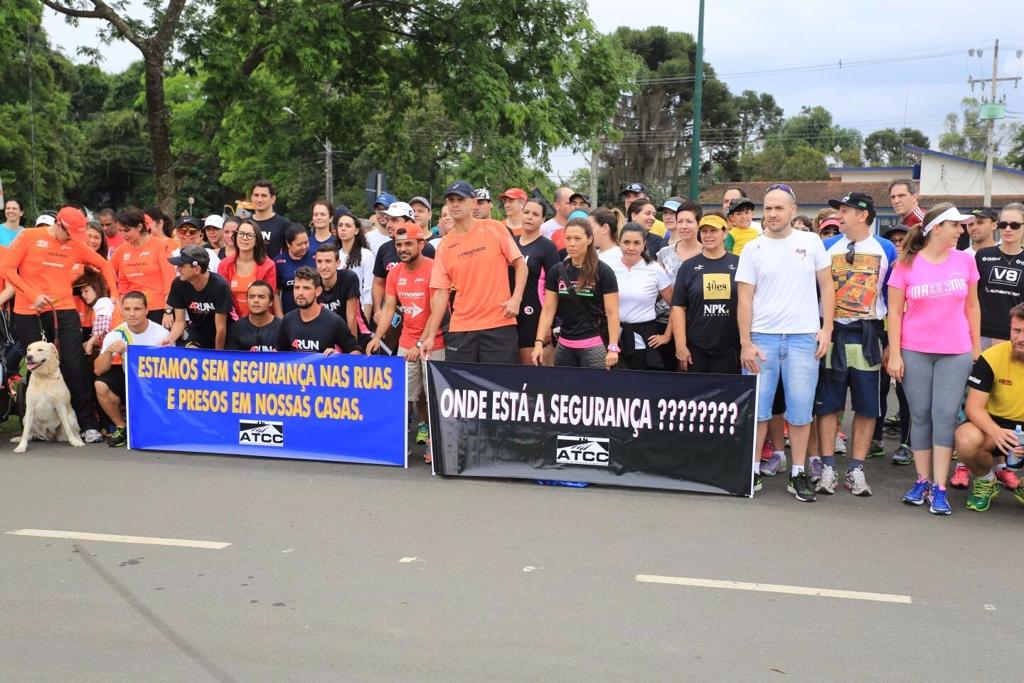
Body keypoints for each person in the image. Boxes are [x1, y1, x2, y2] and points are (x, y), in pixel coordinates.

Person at [737, 186, 834, 501]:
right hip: (761, 339)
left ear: (793, 209)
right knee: (758, 411)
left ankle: (798, 473)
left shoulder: (812, 241)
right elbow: (744, 298)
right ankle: (752, 471)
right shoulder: (753, 248)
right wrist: (745, 342)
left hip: (803, 339)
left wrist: (827, 329)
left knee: (801, 411)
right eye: (768, 208)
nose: (772, 214)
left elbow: (827, 287)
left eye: (779, 208)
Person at [886, 203, 981, 515]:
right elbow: (894, 313)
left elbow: (972, 306)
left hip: (955, 351)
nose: (961, 230)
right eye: (955, 225)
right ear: (936, 228)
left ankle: (940, 487)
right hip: (914, 351)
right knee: (921, 415)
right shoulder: (906, 264)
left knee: (944, 415)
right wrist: (895, 354)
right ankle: (922, 481)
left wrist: (976, 348)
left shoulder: (965, 261)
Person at [1, 206, 118, 443]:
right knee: (36, 364)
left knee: (74, 363)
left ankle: (87, 424)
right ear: (59, 224)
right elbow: (7, 268)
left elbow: (105, 264)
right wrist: (32, 294)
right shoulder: (29, 236)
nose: (72, 239)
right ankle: (37, 426)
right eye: (69, 234)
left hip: (63, 309)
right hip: (28, 309)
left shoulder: (75, 244)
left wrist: (114, 293)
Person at [812, 192, 897, 497]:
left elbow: (893, 299)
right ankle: (827, 467)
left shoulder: (886, 248)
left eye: (845, 210)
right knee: (828, 405)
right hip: (832, 333)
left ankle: (856, 469)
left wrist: (892, 344)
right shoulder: (826, 246)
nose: (839, 216)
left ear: (863, 215)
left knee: (867, 406)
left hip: (868, 334)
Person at [420, 180, 527, 364]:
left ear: (473, 202)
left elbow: (521, 265)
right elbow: (440, 293)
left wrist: (516, 299)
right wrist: (430, 336)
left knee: (499, 382)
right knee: (459, 383)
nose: (455, 204)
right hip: (461, 328)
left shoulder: (495, 228)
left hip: (499, 324)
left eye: (460, 199)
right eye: (451, 200)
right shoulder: (445, 244)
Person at [366, 224, 445, 454]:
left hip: (434, 342)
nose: (402, 249)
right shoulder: (394, 273)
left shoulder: (434, 269)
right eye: (398, 245)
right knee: (405, 395)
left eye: (408, 243)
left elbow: (436, 312)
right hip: (406, 341)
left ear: (421, 244)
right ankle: (401, 442)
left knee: (433, 396)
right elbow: (389, 308)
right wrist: (377, 337)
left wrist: (420, 344)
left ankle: (434, 443)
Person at [955, 303, 1024, 511]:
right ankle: (986, 479)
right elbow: (973, 407)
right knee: (965, 439)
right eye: (1016, 331)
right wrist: (996, 432)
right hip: (994, 425)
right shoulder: (991, 357)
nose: (1020, 338)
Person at [532, 218, 620, 369]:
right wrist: (539, 343)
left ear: (589, 239)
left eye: (577, 238)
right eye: (568, 238)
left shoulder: (603, 271)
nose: (572, 243)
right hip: (564, 344)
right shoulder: (557, 271)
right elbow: (548, 310)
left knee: (593, 385)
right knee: (564, 384)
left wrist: (613, 347)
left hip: (594, 345)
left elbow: (613, 313)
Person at [94, 291, 169, 446]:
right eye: (127, 309)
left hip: (154, 383)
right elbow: (98, 370)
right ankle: (122, 427)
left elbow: (171, 372)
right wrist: (109, 351)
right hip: (130, 379)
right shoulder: (116, 334)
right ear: (121, 311)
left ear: (146, 310)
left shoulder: (161, 334)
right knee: (100, 385)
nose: (132, 314)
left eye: (137, 309)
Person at [672, 213, 741, 374]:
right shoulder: (688, 266)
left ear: (725, 233)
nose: (708, 235)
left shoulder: (739, 263)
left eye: (713, 230)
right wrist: (680, 345)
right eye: (704, 231)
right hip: (695, 347)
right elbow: (678, 307)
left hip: (730, 347)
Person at [609, 223, 672, 370]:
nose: (631, 248)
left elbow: (676, 305)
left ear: (644, 244)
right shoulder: (609, 268)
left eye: (636, 243)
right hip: (614, 339)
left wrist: (667, 335)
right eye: (626, 242)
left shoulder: (655, 269)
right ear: (619, 242)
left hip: (645, 340)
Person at [877, 223, 913, 466]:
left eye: (903, 240)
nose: (898, 244)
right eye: (894, 241)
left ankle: (907, 443)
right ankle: (876, 439)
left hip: (908, 338)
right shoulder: (883, 268)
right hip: (880, 333)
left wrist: (895, 344)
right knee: (878, 388)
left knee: (904, 391)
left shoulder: (916, 269)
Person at [371, 202, 437, 327]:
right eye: (388, 220)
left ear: (410, 222)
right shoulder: (384, 249)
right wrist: (378, 309)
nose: (389, 225)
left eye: (395, 220)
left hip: (420, 318)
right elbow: (379, 282)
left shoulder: (426, 249)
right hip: (391, 316)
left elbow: (436, 289)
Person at [514, 199, 561, 364]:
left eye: (535, 214)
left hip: (534, 314)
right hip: (509, 313)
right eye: (526, 212)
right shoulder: (511, 242)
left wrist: (548, 324)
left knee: (529, 368)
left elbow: (554, 287)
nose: (529, 217)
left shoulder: (548, 247)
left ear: (543, 219)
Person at [111, 207, 175, 325]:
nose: (122, 235)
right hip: (133, 311)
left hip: (158, 308)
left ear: (139, 227)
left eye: (126, 230)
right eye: (119, 230)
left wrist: (168, 310)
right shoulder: (122, 250)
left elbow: (170, 280)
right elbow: (118, 279)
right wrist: (122, 306)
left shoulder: (160, 245)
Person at [164, 245, 235, 349]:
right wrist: (169, 340)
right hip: (198, 333)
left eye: (181, 266)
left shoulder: (220, 286)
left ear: (197, 269)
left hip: (224, 334)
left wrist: (217, 355)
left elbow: (221, 328)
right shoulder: (178, 284)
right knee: (190, 353)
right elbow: (179, 322)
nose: (178, 270)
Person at [276, 266, 360, 354]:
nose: (300, 292)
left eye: (306, 288)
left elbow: (356, 352)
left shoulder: (334, 321)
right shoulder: (288, 320)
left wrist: (338, 357)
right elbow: (279, 354)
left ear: (318, 291)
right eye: (296, 287)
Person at [975, 203, 1024, 349]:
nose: (1008, 229)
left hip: (1015, 336)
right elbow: (971, 297)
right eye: (1003, 225)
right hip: (981, 333)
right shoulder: (983, 255)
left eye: (1014, 225)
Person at [218, 218, 277, 318]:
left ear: (257, 241)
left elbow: (269, 298)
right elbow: (222, 298)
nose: (244, 238)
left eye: (249, 235)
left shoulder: (268, 265)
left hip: (259, 321)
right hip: (231, 321)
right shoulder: (224, 264)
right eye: (241, 234)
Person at [314, 244, 361, 339]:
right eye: (319, 261)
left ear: (338, 263)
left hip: (354, 334)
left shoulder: (349, 278)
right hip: (327, 336)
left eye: (328, 261)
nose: (323, 267)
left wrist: (353, 345)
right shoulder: (313, 282)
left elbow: (351, 317)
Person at [336, 208, 374, 323]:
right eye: (340, 225)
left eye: (348, 226)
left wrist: (365, 321)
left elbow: (368, 290)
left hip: (358, 313)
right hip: (336, 313)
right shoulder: (333, 254)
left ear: (356, 230)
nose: (343, 228)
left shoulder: (366, 255)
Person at [226, 280, 282, 352]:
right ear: (247, 301)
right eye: (251, 297)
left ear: (271, 302)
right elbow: (231, 357)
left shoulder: (282, 328)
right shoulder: (235, 328)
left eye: (261, 297)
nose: (255, 300)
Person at [72, 267, 117, 356]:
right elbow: (102, 336)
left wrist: (90, 343)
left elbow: (102, 328)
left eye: (86, 291)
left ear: (96, 288)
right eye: (81, 292)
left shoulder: (103, 301)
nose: (83, 295)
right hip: (112, 352)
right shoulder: (98, 306)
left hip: (116, 355)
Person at [274, 223, 314, 317]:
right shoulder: (278, 262)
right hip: (288, 315)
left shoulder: (315, 257)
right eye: (299, 244)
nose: (304, 247)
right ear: (288, 244)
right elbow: (275, 294)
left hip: (313, 314)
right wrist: (280, 318)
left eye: (306, 242)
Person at [657, 200, 702, 279]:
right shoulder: (664, 254)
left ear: (699, 224)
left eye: (689, 221)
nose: (684, 226)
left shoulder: (708, 253)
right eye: (680, 221)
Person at [250, 179, 291, 258]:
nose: (259, 199)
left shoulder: (284, 224)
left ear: (273, 199)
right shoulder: (245, 224)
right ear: (251, 198)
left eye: (264, 196)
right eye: (256, 195)